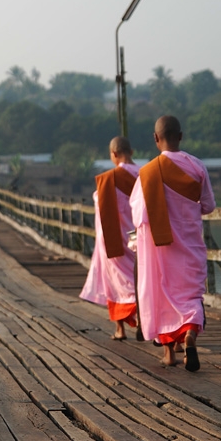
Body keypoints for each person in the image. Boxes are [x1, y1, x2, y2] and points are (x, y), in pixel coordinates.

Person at [129, 115, 216, 371]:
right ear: (181, 136)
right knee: (190, 296)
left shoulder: (147, 173)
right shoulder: (197, 167)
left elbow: (138, 215)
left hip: (159, 248)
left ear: (156, 139)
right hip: (190, 246)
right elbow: (208, 206)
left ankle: (169, 355)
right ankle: (189, 336)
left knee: (162, 295)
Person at [79, 137, 140, 341]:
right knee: (145, 277)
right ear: (131, 151)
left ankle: (120, 329)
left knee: (115, 281)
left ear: (113, 154)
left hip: (114, 238)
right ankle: (144, 313)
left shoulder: (109, 179)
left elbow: (100, 202)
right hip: (140, 237)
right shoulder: (144, 175)